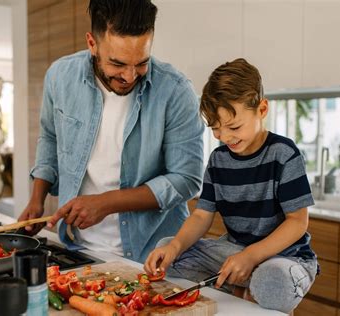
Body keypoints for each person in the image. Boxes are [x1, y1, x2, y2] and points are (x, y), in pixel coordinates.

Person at [18, 0, 204, 263]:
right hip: (78, 249)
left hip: (155, 254)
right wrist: (37, 197)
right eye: (117, 64)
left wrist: (106, 203)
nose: (130, 76)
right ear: (92, 43)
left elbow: (187, 179)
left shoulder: (176, 91)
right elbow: (50, 136)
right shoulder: (60, 76)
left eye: (141, 63)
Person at [144, 58, 318, 313]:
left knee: (272, 280)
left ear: (262, 109)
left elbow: (297, 222)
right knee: (166, 251)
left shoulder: (283, 153)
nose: (225, 137)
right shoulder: (218, 159)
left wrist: (251, 256)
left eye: (234, 126)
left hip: (285, 257)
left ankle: (246, 286)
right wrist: (175, 246)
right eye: (215, 128)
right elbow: (202, 215)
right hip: (235, 250)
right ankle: (242, 286)